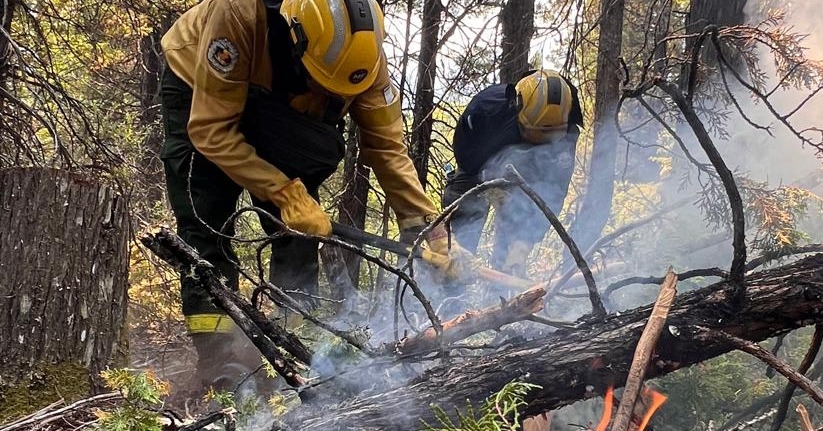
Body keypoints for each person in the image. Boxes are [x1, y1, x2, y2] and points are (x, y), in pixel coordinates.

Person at [159, 0, 462, 394]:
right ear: (295, 37)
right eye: (323, 85)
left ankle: (292, 346)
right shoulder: (239, 15)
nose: (328, 95)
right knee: (206, 214)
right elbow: (211, 132)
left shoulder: (365, 59)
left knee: (301, 230)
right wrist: (284, 193)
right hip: (200, 85)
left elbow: (388, 147)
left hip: (282, 101)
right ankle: (220, 365)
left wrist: (427, 227)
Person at [442, 69, 583, 278]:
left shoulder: (567, 132)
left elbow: (553, 195)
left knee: (516, 229)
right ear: (516, 108)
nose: (537, 143)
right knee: (460, 234)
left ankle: (501, 283)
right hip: (476, 165)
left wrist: (522, 246)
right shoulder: (484, 112)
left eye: (548, 137)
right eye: (533, 133)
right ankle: (450, 284)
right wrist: (490, 188)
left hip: (526, 176)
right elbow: (468, 163)